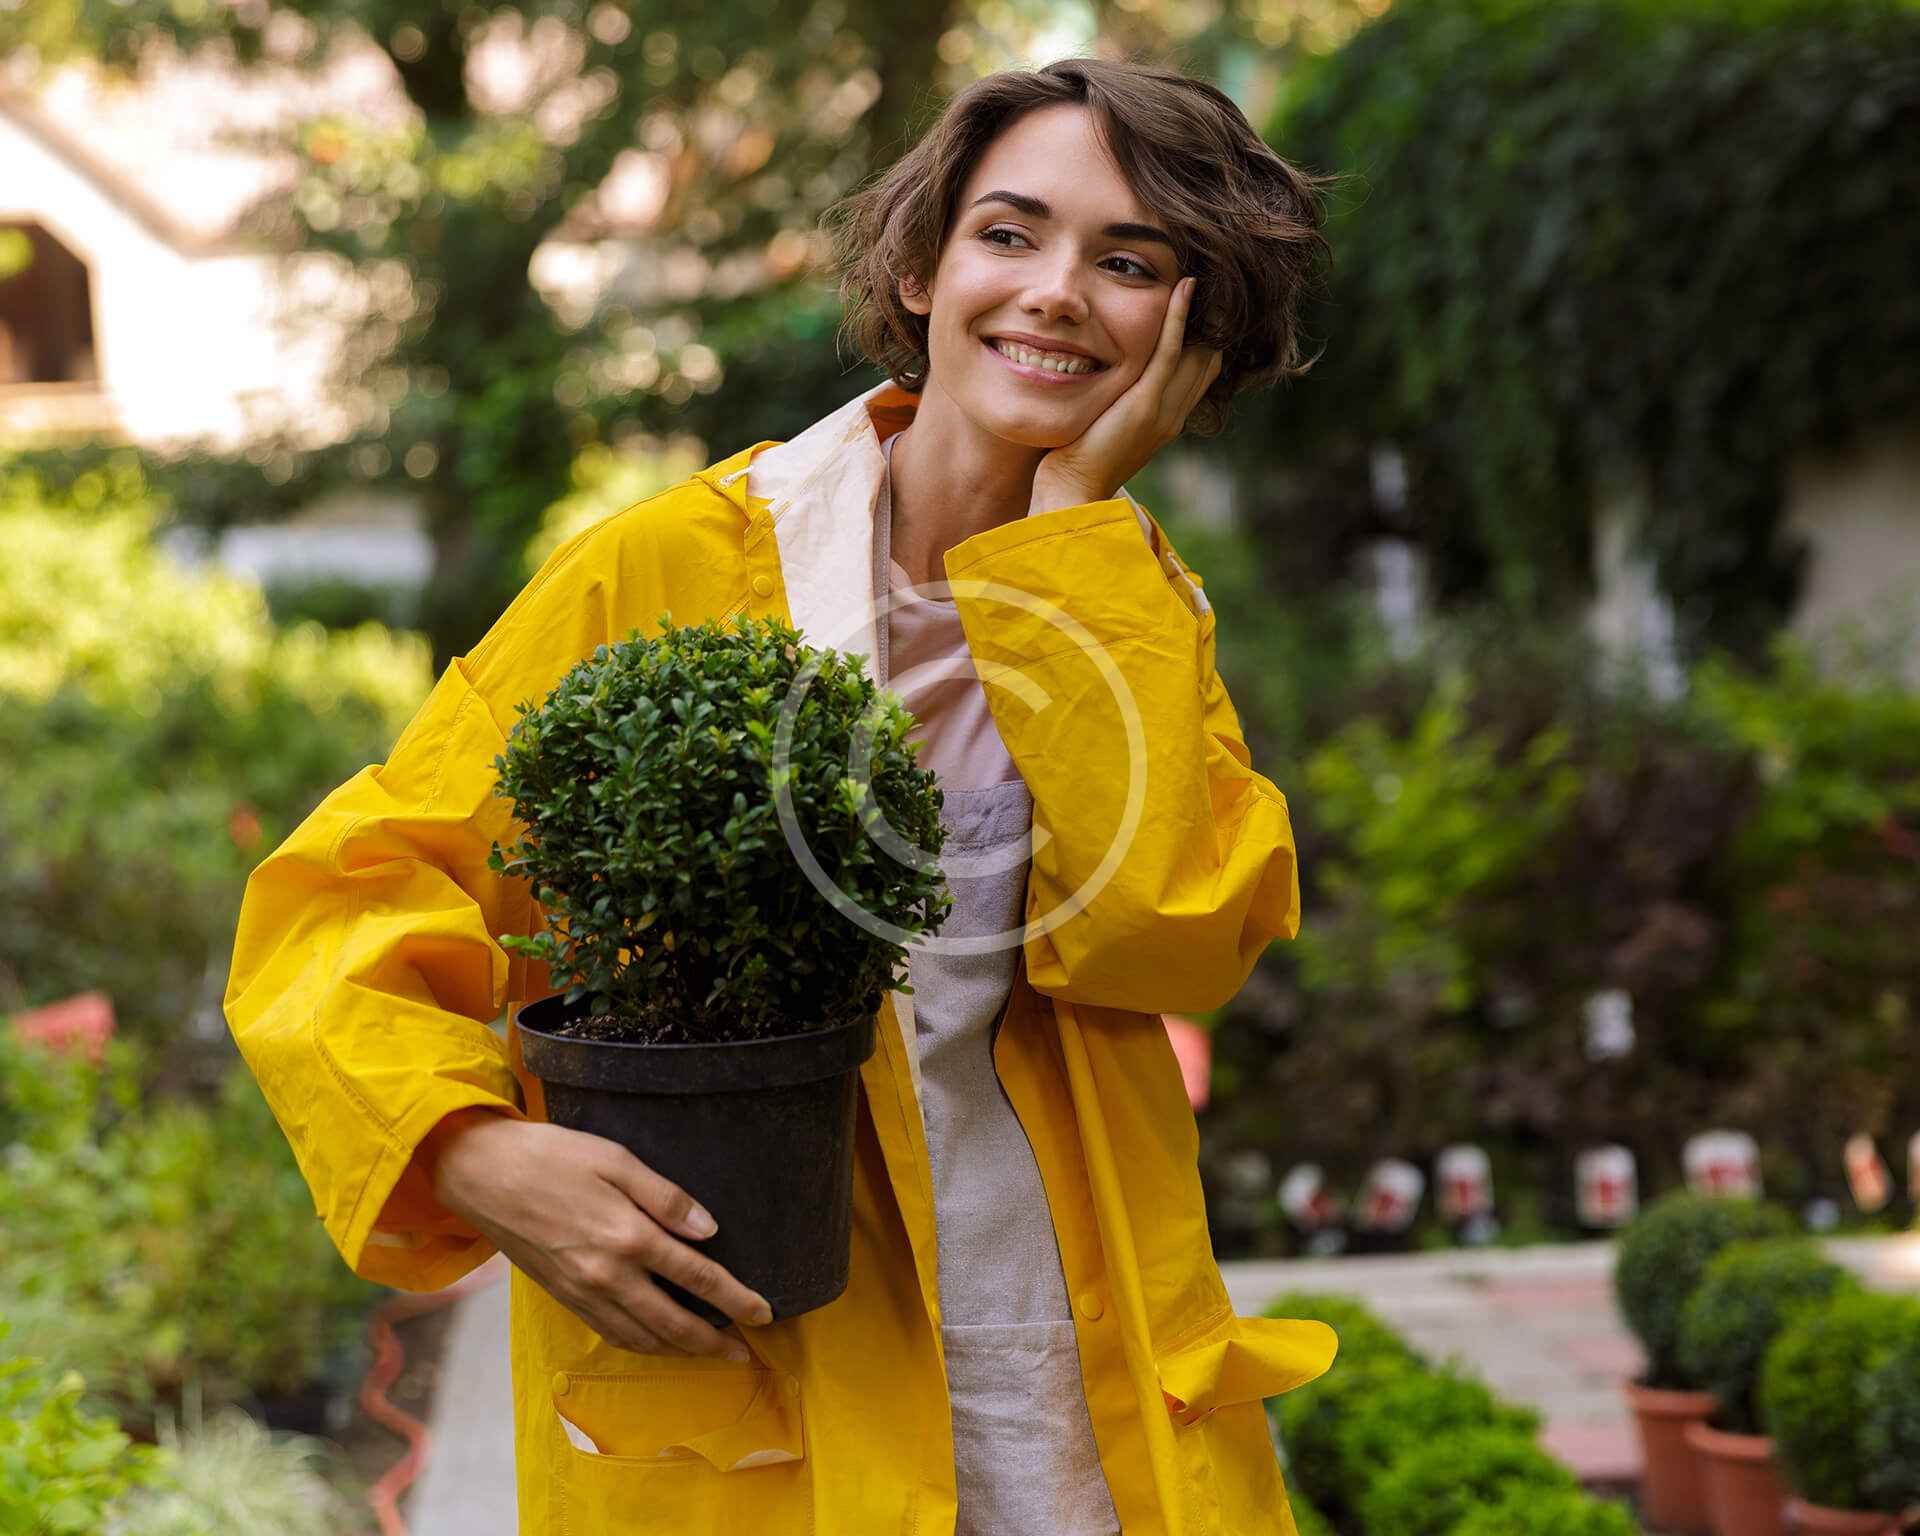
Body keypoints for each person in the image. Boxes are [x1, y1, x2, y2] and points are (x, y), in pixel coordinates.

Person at [225, 54, 1338, 1536]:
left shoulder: (1133, 607)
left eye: (1129, 263)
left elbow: (1162, 940)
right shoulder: (675, 571)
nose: (1058, 292)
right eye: (1011, 234)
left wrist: (1069, 547)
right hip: (760, 1391)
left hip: (1064, 1372)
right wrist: (468, 1150)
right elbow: (342, 905)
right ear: (924, 263)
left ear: (1193, 335)